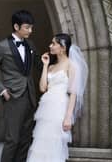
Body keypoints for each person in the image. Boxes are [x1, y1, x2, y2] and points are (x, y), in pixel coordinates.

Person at [0, 10, 41, 162]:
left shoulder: (30, 44)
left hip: (30, 96)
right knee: (13, 139)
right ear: (16, 26)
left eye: (31, 27)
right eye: (27, 27)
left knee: (25, 139)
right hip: (13, 97)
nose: (30, 30)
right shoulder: (2, 46)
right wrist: (2, 91)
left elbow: (40, 66)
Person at [26, 33, 88, 162]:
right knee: (41, 141)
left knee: (54, 143)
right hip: (46, 108)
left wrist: (68, 117)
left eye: (54, 43)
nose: (50, 46)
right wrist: (44, 65)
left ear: (63, 47)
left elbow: (73, 93)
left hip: (59, 108)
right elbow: (43, 88)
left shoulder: (71, 65)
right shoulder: (51, 66)